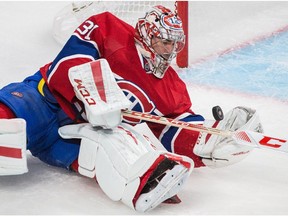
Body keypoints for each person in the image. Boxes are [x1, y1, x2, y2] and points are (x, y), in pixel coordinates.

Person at [0, 5, 263, 212]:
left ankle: (148, 181)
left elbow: (172, 130)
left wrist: (206, 142)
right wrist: (96, 97)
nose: (170, 51)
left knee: (118, 147)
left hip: (76, 134)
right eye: (165, 42)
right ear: (148, 34)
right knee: (11, 114)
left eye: (175, 44)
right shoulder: (108, 28)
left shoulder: (171, 87)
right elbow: (66, 64)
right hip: (44, 101)